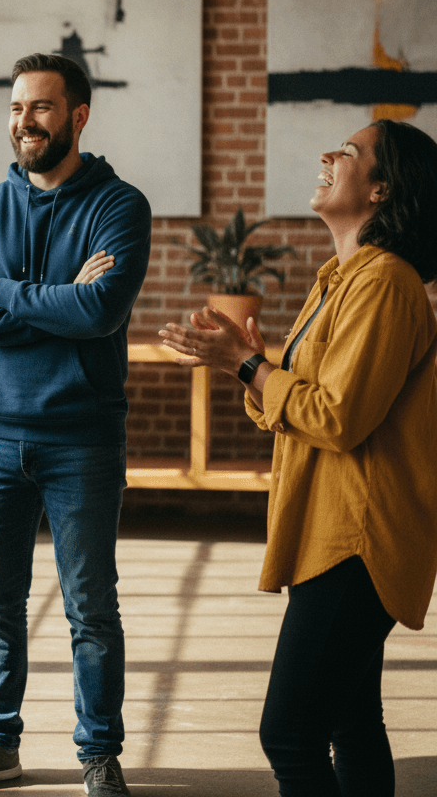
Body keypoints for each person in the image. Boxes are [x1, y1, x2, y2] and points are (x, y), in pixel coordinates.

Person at [158, 119, 437, 797]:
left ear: (381, 189)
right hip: (329, 533)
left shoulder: (383, 283)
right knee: (351, 721)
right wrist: (248, 365)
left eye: (350, 151)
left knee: (289, 734)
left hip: (357, 541)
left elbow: (337, 417)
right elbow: (302, 401)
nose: (328, 154)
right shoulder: (341, 278)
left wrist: (246, 363)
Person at [0, 53, 151, 796]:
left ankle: (100, 754)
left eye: (41, 108)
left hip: (82, 437)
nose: (24, 122)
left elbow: (100, 311)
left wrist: (1, 290)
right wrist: (53, 299)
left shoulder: (119, 206)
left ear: (78, 116)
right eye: (16, 107)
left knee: (91, 608)